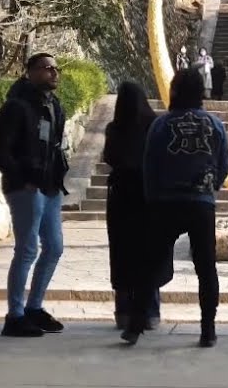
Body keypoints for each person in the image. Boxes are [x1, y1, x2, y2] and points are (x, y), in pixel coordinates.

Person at [122, 68, 228, 348]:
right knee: (205, 268)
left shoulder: (162, 124)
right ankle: (208, 329)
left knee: (150, 265)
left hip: (165, 203)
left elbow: (149, 165)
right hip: (201, 203)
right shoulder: (215, 124)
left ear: (175, 91)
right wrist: (210, 187)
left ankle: (135, 325)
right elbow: (225, 164)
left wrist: (152, 197)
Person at [0, 53, 70, 338]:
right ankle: (15, 315)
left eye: (56, 69)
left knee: (54, 247)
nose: (54, 73)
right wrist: (21, 179)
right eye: (47, 68)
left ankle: (34, 307)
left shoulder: (54, 106)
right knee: (27, 249)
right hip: (25, 187)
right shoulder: (16, 106)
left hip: (50, 187)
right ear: (30, 72)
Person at [102, 82, 161, 332]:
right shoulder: (154, 126)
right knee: (148, 254)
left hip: (120, 197)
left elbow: (109, 157)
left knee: (121, 254)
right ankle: (150, 312)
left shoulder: (114, 128)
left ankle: (123, 312)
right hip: (148, 197)